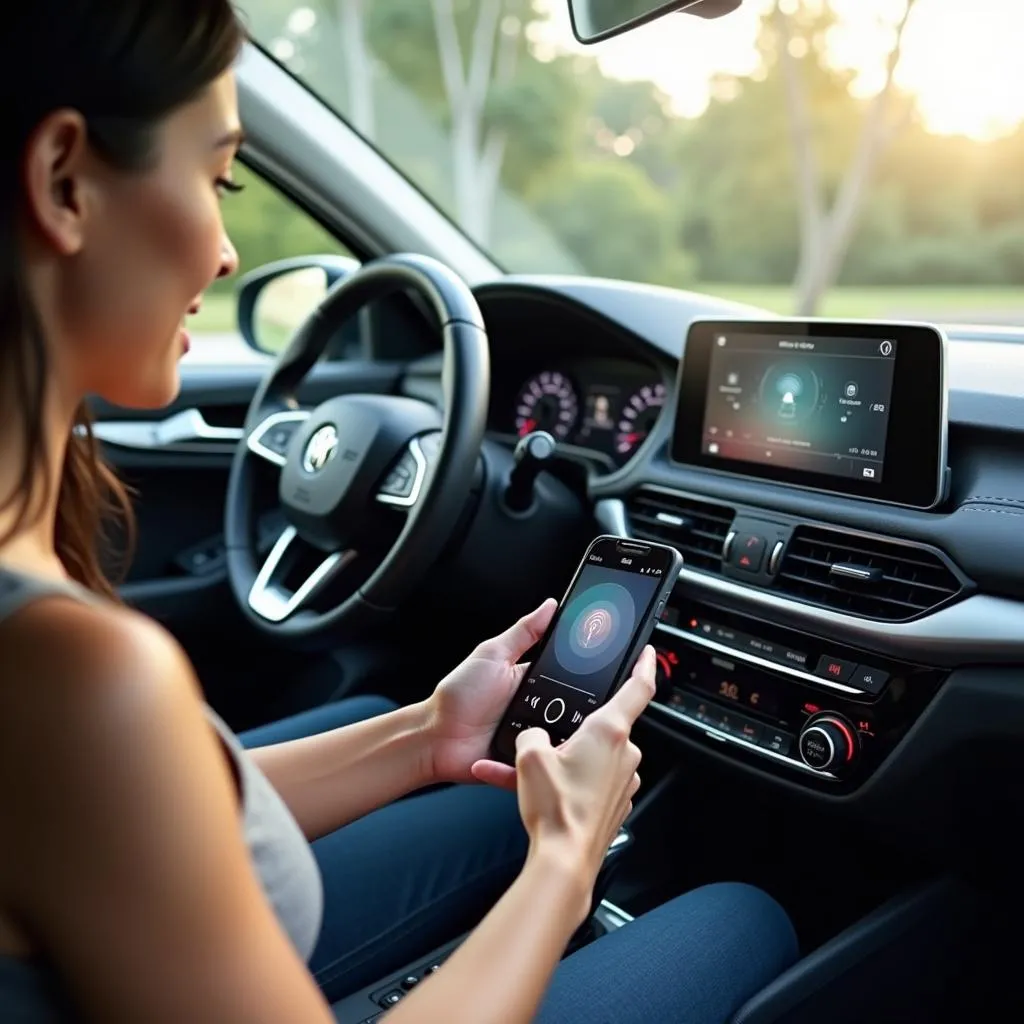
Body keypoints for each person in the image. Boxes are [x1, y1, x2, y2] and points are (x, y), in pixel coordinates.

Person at [0, 3, 798, 1021]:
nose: (227, 252)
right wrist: (567, 862)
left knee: (478, 788)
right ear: (65, 181)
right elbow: (102, 769)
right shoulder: (76, 679)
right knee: (741, 918)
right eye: (217, 179)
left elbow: (121, 812)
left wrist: (425, 731)